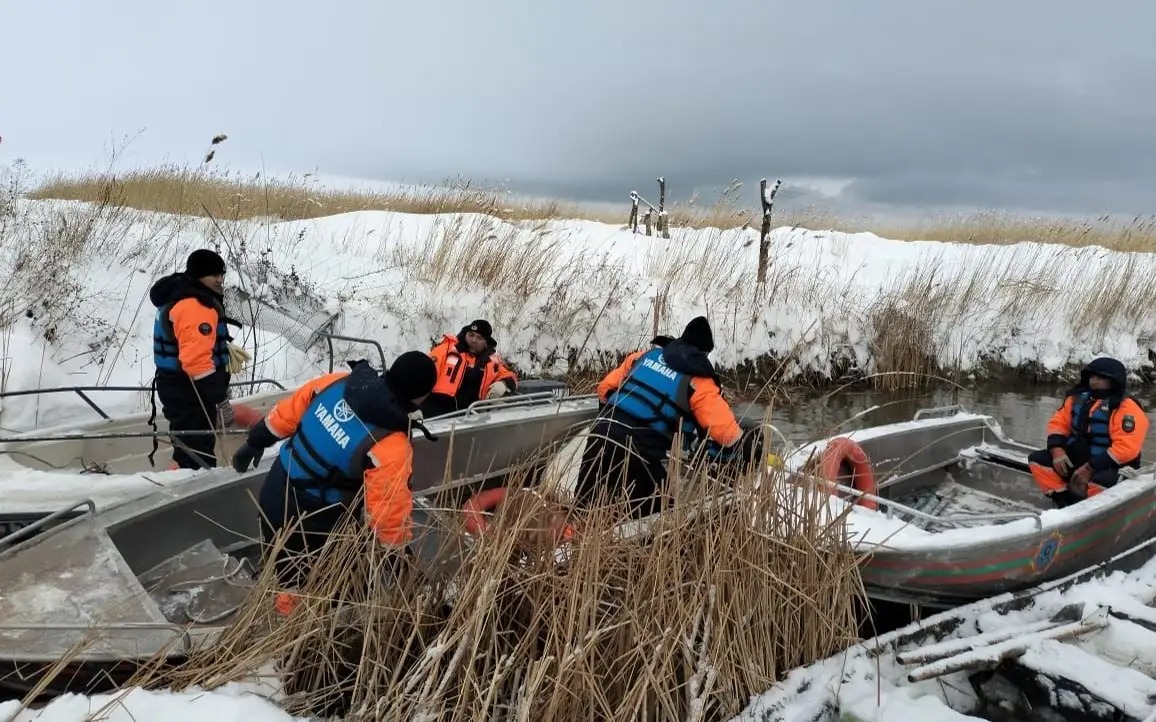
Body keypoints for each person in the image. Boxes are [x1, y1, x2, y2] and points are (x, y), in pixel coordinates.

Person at [230, 352, 438, 616]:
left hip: (274, 488)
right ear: (421, 397)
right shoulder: (391, 445)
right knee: (313, 585)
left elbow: (287, 412)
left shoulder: (338, 382)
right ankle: (292, 630)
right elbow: (387, 518)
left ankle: (280, 593)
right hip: (311, 520)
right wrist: (402, 561)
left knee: (281, 560)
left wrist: (254, 441)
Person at [573, 316, 759, 519]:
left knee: (582, 511)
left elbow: (604, 389)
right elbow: (727, 435)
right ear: (705, 353)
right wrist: (745, 450)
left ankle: (566, 544)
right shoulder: (700, 381)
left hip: (601, 433)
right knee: (656, 516)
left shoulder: (644, 356)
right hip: (640, 450)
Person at [149, 249, 246, 470]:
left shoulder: (181, 295)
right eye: (215, 275)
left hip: (177, 387)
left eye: (222, 274)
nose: (220, 280)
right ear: (200, 276)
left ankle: (189, 474)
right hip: (189, 392)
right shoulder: (195, 307)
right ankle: (194, 489)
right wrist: (220, 399)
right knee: (197, 453)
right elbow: (196, 362)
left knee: (190, 445)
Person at [1027, 357, 1149, 508]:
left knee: (1101, 482)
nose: (1094, 381)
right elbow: (1057, 425)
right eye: (1092, 376)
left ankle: (1094, 510)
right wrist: (1057, 451)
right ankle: (1065, 503)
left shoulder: (1127, 408)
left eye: (1100, 378)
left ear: (1114, 381)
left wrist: (1089, 468)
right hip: (1078, 461)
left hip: (1110, 468)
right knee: (1037, 460)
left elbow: (1127, 448)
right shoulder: (1075, 399)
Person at [422, 319, 519, 418]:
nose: (473, 340)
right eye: (471, 335)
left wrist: (503, 384)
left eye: (479, 338)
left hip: (472, 416)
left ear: (486, 342)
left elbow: (510, 376)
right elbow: (422, 374)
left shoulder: (492, 361)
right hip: (436, 410)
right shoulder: (446, 350)